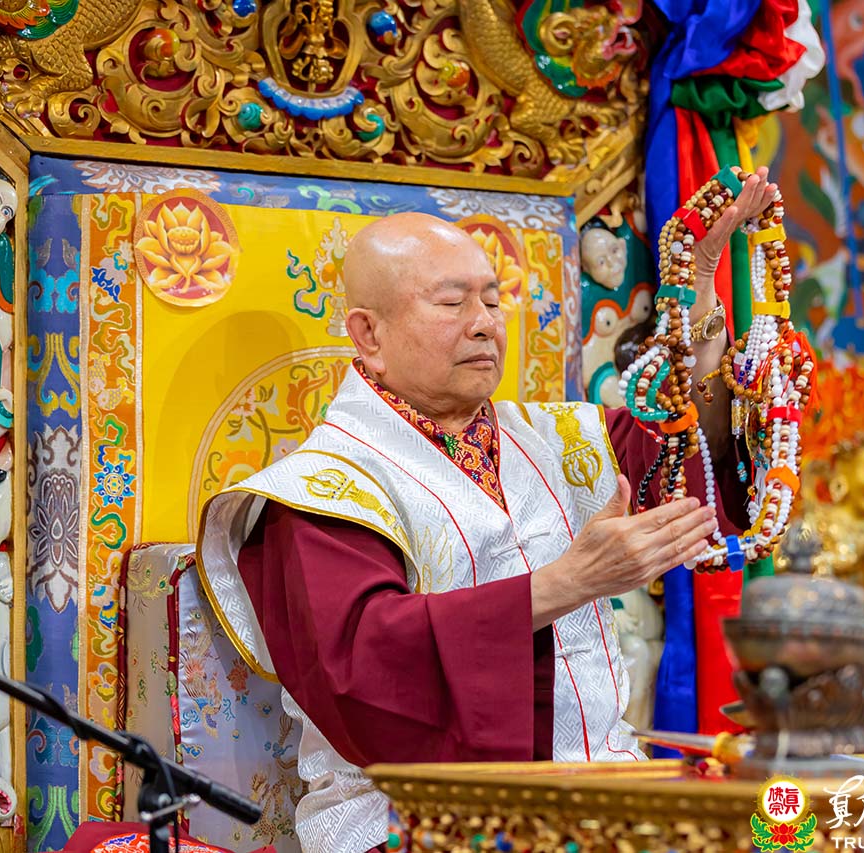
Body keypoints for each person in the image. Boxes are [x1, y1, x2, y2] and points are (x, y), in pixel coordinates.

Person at [198, 170, 779, 852]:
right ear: (369, 334)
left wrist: (699, 287)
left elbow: (686, 456)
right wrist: (567, 583)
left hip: (604, 794)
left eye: (494, 300)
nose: (484, 323)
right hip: (415, 820)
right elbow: (360, 670)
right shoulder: (324, 488)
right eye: (452, 302)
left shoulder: (558, 439)